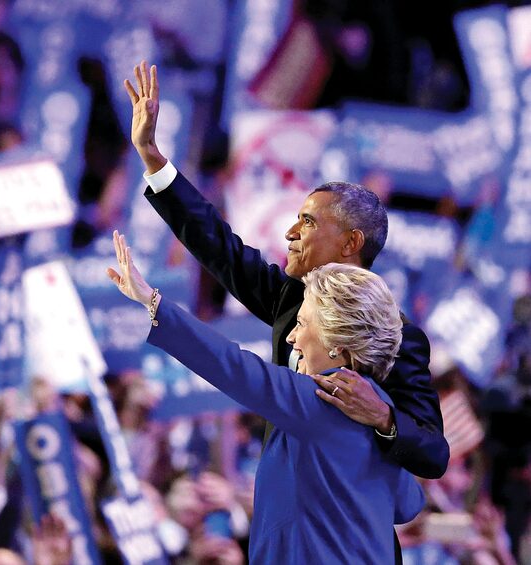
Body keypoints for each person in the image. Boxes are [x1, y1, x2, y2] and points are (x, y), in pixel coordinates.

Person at [123, 61, 448, 481]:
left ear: (351, 243)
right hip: (282, 512)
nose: (291, 232)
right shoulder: (288, 299)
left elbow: (434, 453)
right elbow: (217, 245)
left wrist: (383, 415)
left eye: (309, 222)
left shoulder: (399, 339)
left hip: (350, 527)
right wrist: (152, 156)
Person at [107, 231, 425, 563]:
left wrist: (153, 302)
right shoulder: (377, 409)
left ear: (337, 344)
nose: (292, 337)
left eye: (302, 324)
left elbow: (233, 366)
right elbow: (407, 503)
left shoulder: (320, 400)